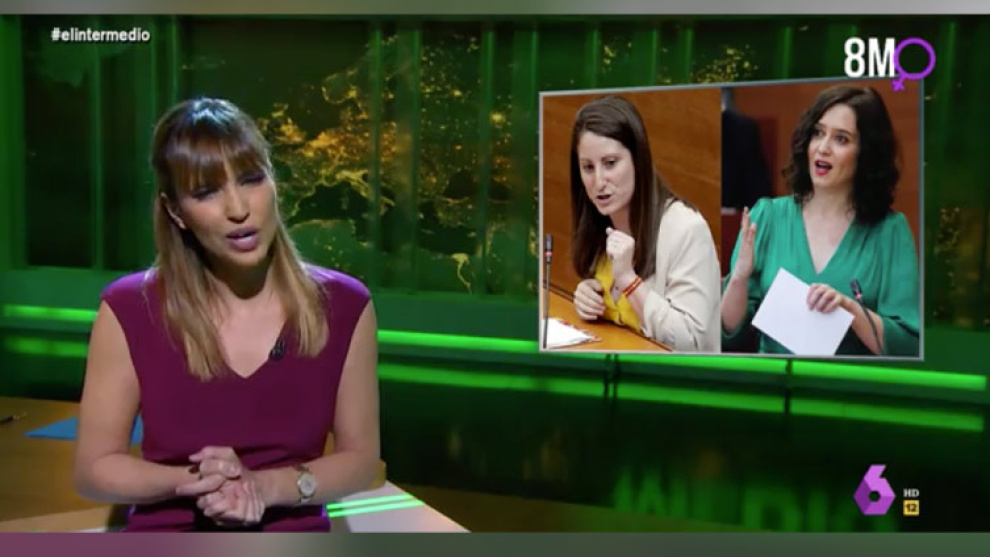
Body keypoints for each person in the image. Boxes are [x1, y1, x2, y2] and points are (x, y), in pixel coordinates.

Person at [73, 98, 381, 531]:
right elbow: (94, 470)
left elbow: (361, 462)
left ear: (273, 182)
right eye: (206, 192)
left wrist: (264, 487)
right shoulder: (129, 308)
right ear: (176, 212)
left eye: (252, 179)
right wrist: (200, 483)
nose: (238, 209)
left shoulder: (344, 305)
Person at [721, 85, 920, 356]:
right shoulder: (767, 216)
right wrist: (738, 279)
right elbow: (730, 334)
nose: (823, 148)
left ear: (866, 153)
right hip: (775, 379)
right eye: (818, 133)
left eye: (841, 139)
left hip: (847, 382)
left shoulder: (890, 232)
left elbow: (907, 347)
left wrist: (850, 311)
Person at [569, 96, 721, 352]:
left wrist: (628, 280)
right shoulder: (600, 223)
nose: (599, 181)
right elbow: (617, 314)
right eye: (588, 167)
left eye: (610, 163)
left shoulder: (687, 229)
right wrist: (588, 296)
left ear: (638, 160)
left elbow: (690, 341)